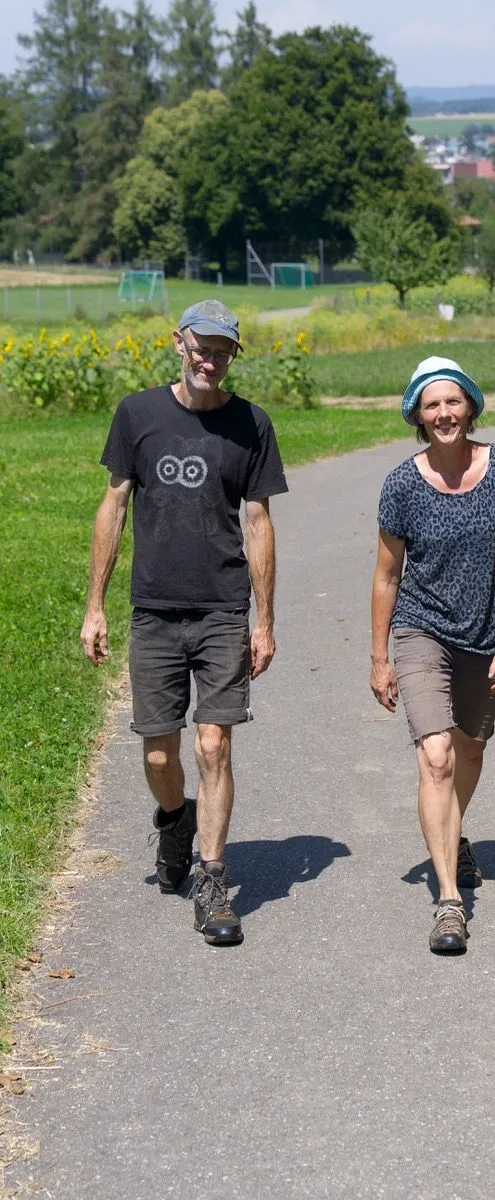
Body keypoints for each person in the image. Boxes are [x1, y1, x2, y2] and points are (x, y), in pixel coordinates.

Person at [80, 300, 288, 947]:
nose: (211, 358)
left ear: (233, 355)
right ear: (179, 343)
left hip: (223, 610)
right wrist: (95, 604)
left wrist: (264, 619)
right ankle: (175, 819)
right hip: (155, 612)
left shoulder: (251, 424)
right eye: (202, 346)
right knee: (159, 752)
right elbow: (113, 505)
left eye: (223, 349)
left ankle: (213, 878)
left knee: (213, 746)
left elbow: (257, 522)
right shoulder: (137, 415)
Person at [370, 356, 495, 954]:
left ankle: (451, 831)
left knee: (470, 747)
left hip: (488, 634)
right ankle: (448, 900)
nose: (444, 414)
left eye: (453, 402)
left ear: (470, 405)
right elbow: (387, 576)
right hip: (421, 630)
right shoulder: (401, 484)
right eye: (431, 405)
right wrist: (379, 656)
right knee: (436, 756)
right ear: (417, 414)